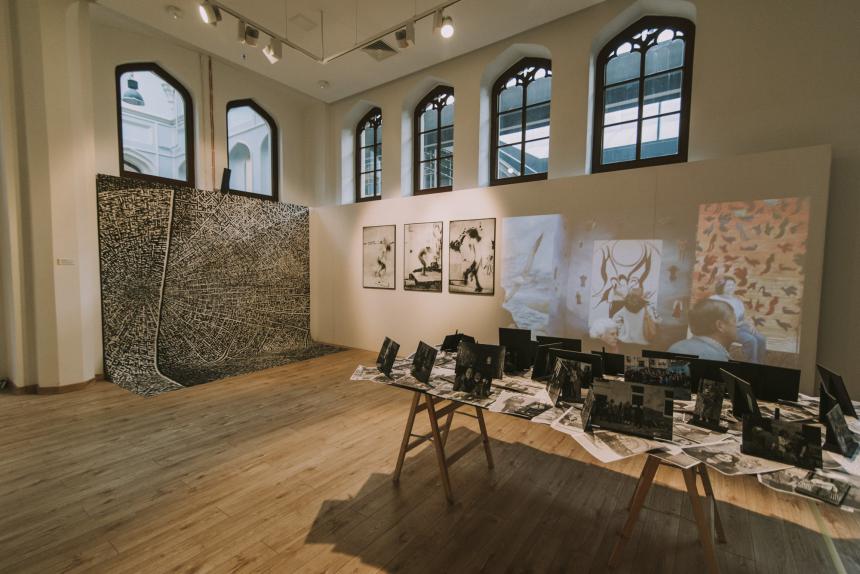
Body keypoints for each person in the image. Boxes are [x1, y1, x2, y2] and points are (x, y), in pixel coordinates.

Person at [710, 276, 768, 363]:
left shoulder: (737, 301)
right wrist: (735, 324)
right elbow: (713, 318)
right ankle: (752, 363)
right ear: (721, 286)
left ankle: (759, 362)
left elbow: (743, 317)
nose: (731, 287)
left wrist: (750, 324)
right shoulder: (714, 299)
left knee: (761, 338)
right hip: (725, 329)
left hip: (739, 327)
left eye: (733, 285)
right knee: (751, 340)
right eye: (729, 285)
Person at [668, 298, 738, 361]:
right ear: (720, 326)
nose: (737, 326)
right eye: (734, 321)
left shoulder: (676, 347)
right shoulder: (718, 357)